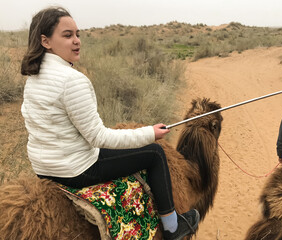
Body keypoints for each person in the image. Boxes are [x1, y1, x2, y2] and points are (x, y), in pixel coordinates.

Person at [20, 6, 199, 240]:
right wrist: (149, 133)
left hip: (44, 168)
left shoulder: (34, 77)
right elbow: (99, 138)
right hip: (75, 170)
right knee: (155, 154)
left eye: (77, 34)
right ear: (45, 41)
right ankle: (173, 227)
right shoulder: (72, 80)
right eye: (67, 35)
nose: (76, 41)